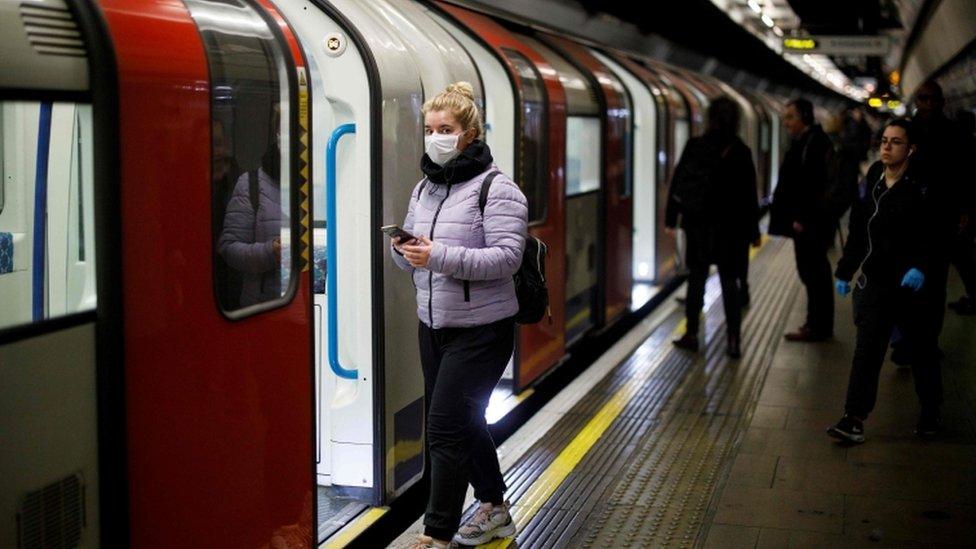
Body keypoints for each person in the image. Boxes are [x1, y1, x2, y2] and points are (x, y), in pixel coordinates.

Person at [391, 82, 528, 549]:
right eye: (430, 129)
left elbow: (508, 257)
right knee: (465, 421)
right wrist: (405, 251)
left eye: (445, 129)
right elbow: (418, 256)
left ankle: (437, 534)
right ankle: (494, 508)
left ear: (469, 134)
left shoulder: (498, 189)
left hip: (483, 331)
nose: (435, 138)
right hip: (434, 325)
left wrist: (439, 255)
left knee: (445, 428)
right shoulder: (425, 188)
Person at [828, 119, 941, 443]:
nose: (887, 147)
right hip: (878, 280)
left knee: (922, 350)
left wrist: (921, 266)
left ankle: (931, 409)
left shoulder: (922, 185)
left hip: (912, 285)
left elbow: (934, 233)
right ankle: (853, 418)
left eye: (896, 142)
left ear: (911, 149)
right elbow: (859, 228)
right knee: (867, 351)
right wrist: (846, 271)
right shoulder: (875, 176)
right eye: (884, 141)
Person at [666, 97, 761, 359]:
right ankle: (733, 340)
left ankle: (692, 333)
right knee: (729, 282)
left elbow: (678, 183)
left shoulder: (695, 146)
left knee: (696, 279)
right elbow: (749, 196)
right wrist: (753, 233)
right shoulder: (741, 151)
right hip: (730, 229)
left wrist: (670, 219)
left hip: (698, 225)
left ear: (709, 118)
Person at [769, 98, 836, 341]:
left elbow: (813, 185)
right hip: (807, 221)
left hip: (810, 224)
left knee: (814, 273)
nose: (786, 123)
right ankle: (816, 323)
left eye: (790, 117)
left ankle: (817, 326)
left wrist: (802, 218)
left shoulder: (814, 143)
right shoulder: (809, 141)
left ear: (804, 117)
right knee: (811, 273)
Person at [218, 116, 284, 308]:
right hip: (264, 306)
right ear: (277, 136)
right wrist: (271, 252)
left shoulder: (323, 181)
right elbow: (229, 248)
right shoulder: (251, 184)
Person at [947, 109, 976, 314]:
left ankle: (973, 298)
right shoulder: (970, 145)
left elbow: (964, 183)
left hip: (963, 211)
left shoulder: (960, 148)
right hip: (967, 209)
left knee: (964, 258)